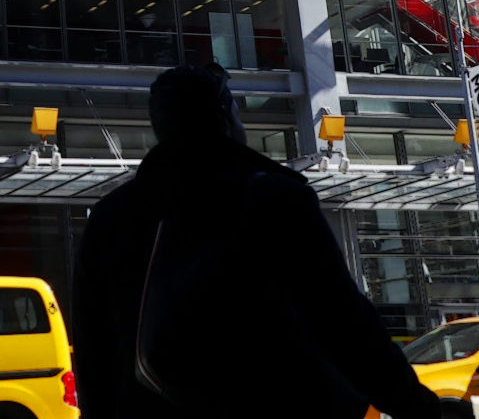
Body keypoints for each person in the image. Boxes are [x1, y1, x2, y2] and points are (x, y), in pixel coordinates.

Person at [72, 64, 439, 419]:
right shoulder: (271, 199)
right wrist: (416, 406)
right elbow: (344, 324)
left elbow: (93, 356)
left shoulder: (110, 219)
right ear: (224, 118)